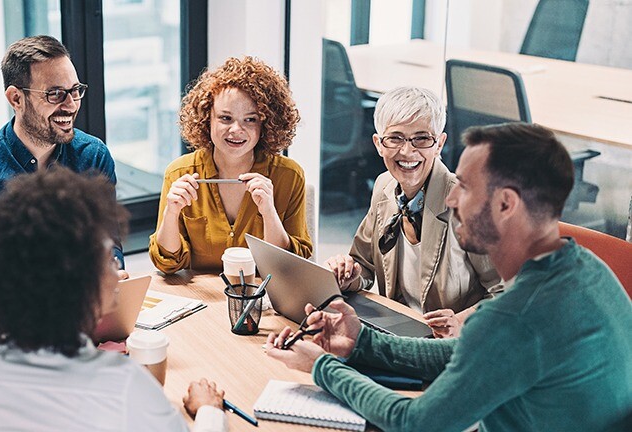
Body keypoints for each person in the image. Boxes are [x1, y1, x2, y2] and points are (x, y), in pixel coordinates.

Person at [266, 123, 632, 431]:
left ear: (506, 204)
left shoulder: (514, 317)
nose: (452, 197)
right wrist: (360, 342)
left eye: (465, 186)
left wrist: (322, 367)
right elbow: (464, 353)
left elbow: (415, 423)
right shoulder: (587, 268)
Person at [0, 167, 228, 431]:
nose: (117, 267)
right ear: (74, 283)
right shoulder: (124, 385)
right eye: (106, 258)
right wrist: (208, 410)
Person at [0, 35, 125, 364]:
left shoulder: (92, 156)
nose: (72, 105)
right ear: (16, 98)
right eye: (55, 94)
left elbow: (108, 240)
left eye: (76, 91)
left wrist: (111, 268)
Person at [323, 86, 501, 337]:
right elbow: (364, 266)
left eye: (422, 138)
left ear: (439, 144)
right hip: (396, 333)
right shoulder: (384, 187)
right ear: (378, 144)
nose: (407, 151)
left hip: (451, 347)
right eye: (395, 138)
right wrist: (346, 274)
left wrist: (462, 323)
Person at [149, 56, 312, 274]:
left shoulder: (289, 176)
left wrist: (268, 211)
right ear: (207, 119)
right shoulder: (180, 173)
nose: (236, 129)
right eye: (225, 118)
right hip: (202, 300)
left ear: (266, 123)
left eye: (250, 119)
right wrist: (171, 213)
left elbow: (291, 266)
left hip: (263, 300)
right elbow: (168, 264)